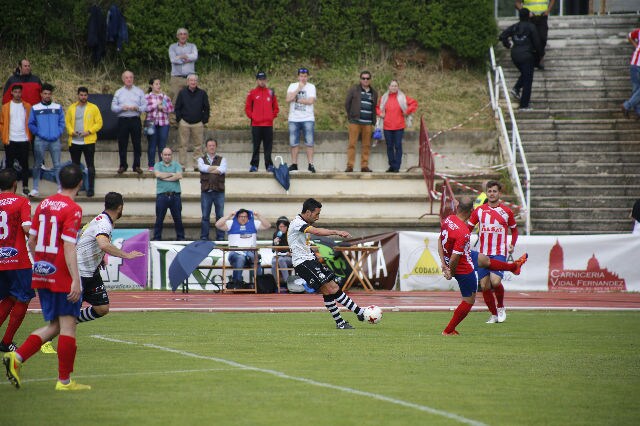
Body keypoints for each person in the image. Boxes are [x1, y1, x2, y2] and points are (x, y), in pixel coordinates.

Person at [3, 163, 90, 391]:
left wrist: (39, 261)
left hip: (41, 271)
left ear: (59, 182)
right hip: (60, 272)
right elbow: (69, 246)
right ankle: (64, 381)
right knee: (69, 326)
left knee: (55, 325)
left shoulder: (43, 204)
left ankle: (17, 357)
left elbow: (31, 240)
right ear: (80, 183)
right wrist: (75, 279)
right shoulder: (73, 208)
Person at [288, 198, 367, 328]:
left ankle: (358, 312)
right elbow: (317, 232)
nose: (318, 217)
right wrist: (337, 232)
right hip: (303, 263)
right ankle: (345, 320)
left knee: (333, 288)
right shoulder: (297, 223)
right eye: (316, 214)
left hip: (310, 261)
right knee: (328, 289)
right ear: (308, 212)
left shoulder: (302, 223)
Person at [76, 192, 143, 323]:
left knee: (102, 308)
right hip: (79, 271)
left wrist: (99, 258)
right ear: (120, 208)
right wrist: (126, 255)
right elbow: (103, 244)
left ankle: (71, 321)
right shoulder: (104, 223)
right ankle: (47, 340)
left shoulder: (102, 220)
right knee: (69, 310)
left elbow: (88, 241)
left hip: (91, 271)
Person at [467, 180, 519, 324]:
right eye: (489, 191)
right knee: (484, 286)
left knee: (495, 282)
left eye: (494, 191)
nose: (491, 194)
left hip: (499, 252)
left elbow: (514, 230)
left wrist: (512, 245)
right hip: (483, 253)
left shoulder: (507, 211)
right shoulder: (479, 211)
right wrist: (463, 240)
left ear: (499, 193)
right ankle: (494, 315)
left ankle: (501, 307)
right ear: (486, 193)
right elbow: (468, 229)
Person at [0, 169, 33, 353]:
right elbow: (27, 228)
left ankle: (5, 342)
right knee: (23, 298)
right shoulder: (21, 201)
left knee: (10, 297)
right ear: (15, 184)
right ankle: (6, 341)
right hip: (18, 260)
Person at [215, 209, 271, 289]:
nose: (243, 218)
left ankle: (259, 284)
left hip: (250, 253)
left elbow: (268, 225)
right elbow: (218, 225)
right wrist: (229, 215)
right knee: (240, 258)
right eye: (241, 216)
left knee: (254, 257)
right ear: (237, 217)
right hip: (235, 253)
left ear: (248, 217)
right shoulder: (231, 223)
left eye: (245, 216)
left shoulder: (254, 223)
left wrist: (258, 215)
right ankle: (237, 284)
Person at [500, 8, 542, 111]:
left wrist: (508, 44)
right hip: (527, 56)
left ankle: (517, 88)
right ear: (528, 16)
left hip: (515, 55)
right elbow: (537, 42)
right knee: (528, 80)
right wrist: (540, 54)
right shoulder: (531, 27)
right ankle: (524, 105)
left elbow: (502, 36)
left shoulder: (514, 27)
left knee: (525, 74)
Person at [28, 83, 65, 198]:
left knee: (57, 164)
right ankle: (35, 189)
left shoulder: (57, 107)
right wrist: (39, 133)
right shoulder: (35, 108)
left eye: (49, 94)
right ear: (41, 94)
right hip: (40, 140)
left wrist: (57, 133)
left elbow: (62, 123)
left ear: (51, 94)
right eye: (45, 93)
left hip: (54, 140)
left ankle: (60, 188)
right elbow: (31, 124)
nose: (47, 95)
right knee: (37, 164)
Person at [66, 86, 103, 198]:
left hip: (88, 141)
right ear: (78, 95)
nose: (83, 97)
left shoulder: (93, 108)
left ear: (88, 96)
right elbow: (67, 122)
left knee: (90, 165)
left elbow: (99, 123)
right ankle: (75, 188)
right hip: (75, 141)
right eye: (81, 95)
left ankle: (90, 188)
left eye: (85, 95)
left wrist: (89, 131)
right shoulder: (72, 108)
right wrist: (71, 132)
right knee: (75, 167)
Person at [376, 80, 418, 173]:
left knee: (398, 146)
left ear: (398, 87)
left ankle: (397, 167)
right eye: (392, 86)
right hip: (387, 126)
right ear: (389, 87)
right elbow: (377, 107)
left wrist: (406, 111)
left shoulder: (402, 97)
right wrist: (380, 113)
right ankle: (392, 165)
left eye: (395, 86)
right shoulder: (384, 98)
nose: (394, 87)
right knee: (389, 146)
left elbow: (414, 103)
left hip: (399, 126)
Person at [111, 70, 147, 174]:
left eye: (131, 77)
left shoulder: (139, 91)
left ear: (133, 78)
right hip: (123, 120)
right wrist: (122, 108)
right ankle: (123, 165)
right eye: (126, 77)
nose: (129, 79)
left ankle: (136, 165)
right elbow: (113, 107)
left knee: (137, 144)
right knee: (122, 144)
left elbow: (145, 106)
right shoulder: (118, 92)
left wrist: (138, 108)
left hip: (135, 119)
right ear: (123, 79)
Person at [0, 85, 32, 195]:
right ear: (12, 93)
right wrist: (4, 135)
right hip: (10, 139)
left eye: (19, 92)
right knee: (9, 165)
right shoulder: (6, 107)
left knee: (25, 164)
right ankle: (8, 187)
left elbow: (31, 121)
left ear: (21, 93)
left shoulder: (27, 106)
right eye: (15, 92)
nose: (18, 94)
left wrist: (29, 136)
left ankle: (25, 186)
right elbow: (2, 123)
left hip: (23, 139)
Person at [245, 71, 279, 172]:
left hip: (268, 125)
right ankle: (254, 165)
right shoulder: (252, 93)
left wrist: (270, 117)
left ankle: (269, 165)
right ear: (257, 81)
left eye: (263, 79)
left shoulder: (271, 93)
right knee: (256, 146)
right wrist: (254, 117)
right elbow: (247, 108)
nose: (262, 81)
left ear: (266, 80)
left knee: (268, 146)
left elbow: (276, 108)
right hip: (256, 124)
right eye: (260, 80)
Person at [344, 71, 378, 173]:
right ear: (360, 79)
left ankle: (364, 166)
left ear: (370, 80)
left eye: (367, 78)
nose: (365, 80)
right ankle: (350, 166)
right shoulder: (354, 89)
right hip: (355, 122)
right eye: (363, 78)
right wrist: (351, 116)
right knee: (352, 144)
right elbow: (347, 104)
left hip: (368, 123)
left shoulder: (374, 92)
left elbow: (375, 107)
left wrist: (373, 121)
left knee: (366, 145)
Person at [175, 74, 210, 170]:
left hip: (198, 123)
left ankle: (197, 165)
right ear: (187, 82)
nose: (193, 82)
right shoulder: (182, 93)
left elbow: (206, 108)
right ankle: (182, 165)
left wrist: (204, 120)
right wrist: (179, 119)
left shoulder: (202, 93)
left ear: (197, 82)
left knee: (198, 146)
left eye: (195, 80)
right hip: (184, 122)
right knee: (182, 145)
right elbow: (177, 107)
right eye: (191, 80)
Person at [286, 67, 316, 173]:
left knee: (309, 141)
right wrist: (298, 89)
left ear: (308, 77)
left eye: (305, 76)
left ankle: (311, 164)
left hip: (308, 118)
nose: (303, 78)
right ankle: (294, 164)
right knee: (294, 142)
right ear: (298, 76)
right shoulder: (292, 86)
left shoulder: (311, 87)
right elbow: (288, 99)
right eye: (301, 76)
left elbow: (311, 101)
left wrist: (297, 99)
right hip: (294, 118)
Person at [153, 148, 185, 241]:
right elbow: (158, 175)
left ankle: (181, 238)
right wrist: (172, 174)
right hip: (162, 196)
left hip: (175, 196)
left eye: (169, 155)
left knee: (178, 219)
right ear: (161, 155)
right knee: (159, 219)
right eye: (165, 155)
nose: (167, 156)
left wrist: (165, 177)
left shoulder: (177, 165)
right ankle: (157, 238)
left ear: (172, 155)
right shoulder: (157, 165)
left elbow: (179, 176)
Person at [198, 138, 227, 241]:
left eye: (213, 145)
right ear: (206, 147)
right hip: (206, 192)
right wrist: (215, 168)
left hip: (219, 192)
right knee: (205, 216)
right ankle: (204, 237)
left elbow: (222, 170)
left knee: (220, 216)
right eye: (210, 145)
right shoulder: (200, 159)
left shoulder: (223, 159)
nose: (211, 147)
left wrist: (208, 169)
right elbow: (202, 168)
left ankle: (220, 237)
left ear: (216, 147)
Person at [144, 78, 174, 171]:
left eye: (159, 84)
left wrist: (163, 108)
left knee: (162, 145)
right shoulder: (146, 97)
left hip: (164, 123)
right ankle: (151, 165)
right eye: (156, 84)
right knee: (151, 144)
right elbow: (145, 108)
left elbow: (171, 109)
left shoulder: (165, 97)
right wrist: (156, 105)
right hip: (150, 123)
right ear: (151, 85)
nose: (158, 86)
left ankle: (162, 165)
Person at [515, 0, 554, 70]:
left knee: (542, 38)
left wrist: (548, 10)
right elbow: (517, 3)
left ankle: (540, 57)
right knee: (529, 39)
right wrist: (525, 12)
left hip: (542, 17)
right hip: (529, 18)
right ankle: (530, 60)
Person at [168, 28, 198, 103]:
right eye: (181, 34)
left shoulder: (192, 46)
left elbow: (195, 56)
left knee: (191, 99)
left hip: (190, 78)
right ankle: (173, 114)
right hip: (176, 78)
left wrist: (180, 56)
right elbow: (173, 59)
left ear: (187, 36)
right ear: (177, 36)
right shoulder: (172, 47)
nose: (183, 36)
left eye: (185, 34)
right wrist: (187, 58)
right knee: (175, 99)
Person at [622, 28, 640, 119]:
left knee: (636, 89)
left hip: (635, 64)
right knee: (636, 88)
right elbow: (629, 36)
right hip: (636, 64)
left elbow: (629, 36)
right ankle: (629, 107)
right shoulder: (638, 31)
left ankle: (631, 108)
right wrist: (636, 45)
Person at [271, 216, 293, 289]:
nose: (282, 229)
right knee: (274, 262)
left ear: (287, 227)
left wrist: (290, 253)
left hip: (290, 258)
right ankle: (276, 283)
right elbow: (273, 250)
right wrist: (275, 243)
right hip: (279, 256)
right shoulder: (276, 234)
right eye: (280, 227)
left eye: (284, 227)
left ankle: (287, 283)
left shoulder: (291, 235)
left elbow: (294, 249)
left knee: (280, 260)